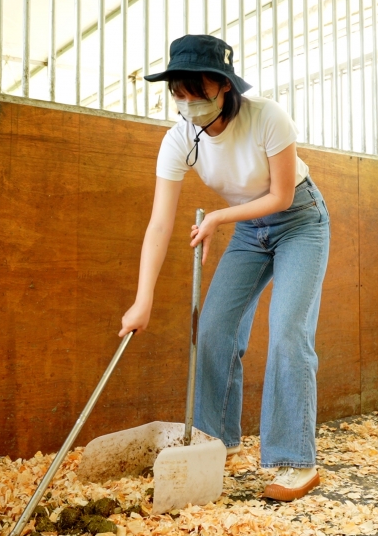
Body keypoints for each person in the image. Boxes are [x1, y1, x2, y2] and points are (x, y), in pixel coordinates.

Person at [117, 34, 331, 502]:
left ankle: (295, 460)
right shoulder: (178, 140)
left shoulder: (267, 117)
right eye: (179, 93)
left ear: (226, 88)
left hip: (300, 221)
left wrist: (217, 217)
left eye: (199, 93)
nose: (189, 104)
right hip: (249, 232)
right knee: (213, 329)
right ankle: (216, 443)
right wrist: (142, 299)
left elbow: (280, 196)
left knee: (287, 331)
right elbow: (159, 224)